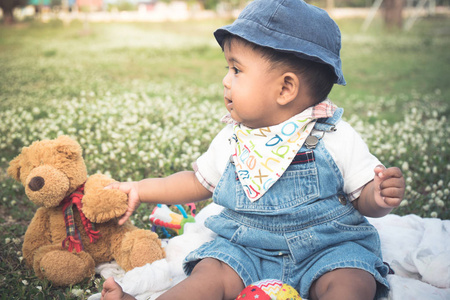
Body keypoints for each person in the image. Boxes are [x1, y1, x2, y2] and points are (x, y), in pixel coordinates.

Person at [100, 0, 405, 299]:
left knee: (353, 279)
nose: (225, 80)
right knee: (210, 273)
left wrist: (378, 197)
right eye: (227, 68)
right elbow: (196, 183)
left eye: (236, 70)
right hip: (246, 250)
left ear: (285, 89)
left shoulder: (333, 135)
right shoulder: (233, 138)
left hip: (326, 249)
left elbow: (362, 197)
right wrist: (141, 189)